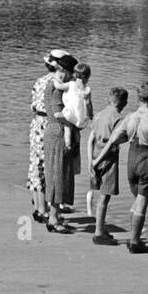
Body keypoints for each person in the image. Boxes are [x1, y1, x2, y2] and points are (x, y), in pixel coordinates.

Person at [93, 81, 148, 254]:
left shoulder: (129, 118)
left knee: (136, 199)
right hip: (147, 158)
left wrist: (96, 162)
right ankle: (135, 242)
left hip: (131, 158)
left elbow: (113, 140)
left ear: (139, 99)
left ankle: (134, 236)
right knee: (142, 201)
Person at [29, 49, 68, 222]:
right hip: (49, 123)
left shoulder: (39, 81)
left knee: (35, 164)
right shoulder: (58, 83)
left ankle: (39, 208)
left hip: (36, 122)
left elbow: (32, 105)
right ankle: (47, 210)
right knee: (49, 165)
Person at [42, 53, 79, 232]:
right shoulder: (56, 88)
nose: (71, 77)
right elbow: (57, 114)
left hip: (51, 131)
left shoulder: (51, 84)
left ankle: (54, 215)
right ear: (64, 71)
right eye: (70, 74)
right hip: (57, 132)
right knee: (58, 175)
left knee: (56, 174)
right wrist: (73, 123)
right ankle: (53, 220)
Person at [87, 86, 128, 245]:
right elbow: (112, 144)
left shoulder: (99, 114)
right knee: (104, 196)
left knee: (99, 194)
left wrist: (90, 161)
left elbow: (90, 139)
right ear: (122, 103)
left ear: (108, 99)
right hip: (108, 159)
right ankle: (98, 233)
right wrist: (98, 162)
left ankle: (101, 228)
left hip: (95, 155)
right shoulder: (118, 118)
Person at [62, 61, 93, 212]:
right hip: (79, 123)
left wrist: (54, 80)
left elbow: (58, 87)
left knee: (64, 164)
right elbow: (90, 113)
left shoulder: (70, 85)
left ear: (75, 74)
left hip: (69, 119)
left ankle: (60, 202)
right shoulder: (87, 90)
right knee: (69, 166)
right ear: (88, 76)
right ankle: (64, 201)